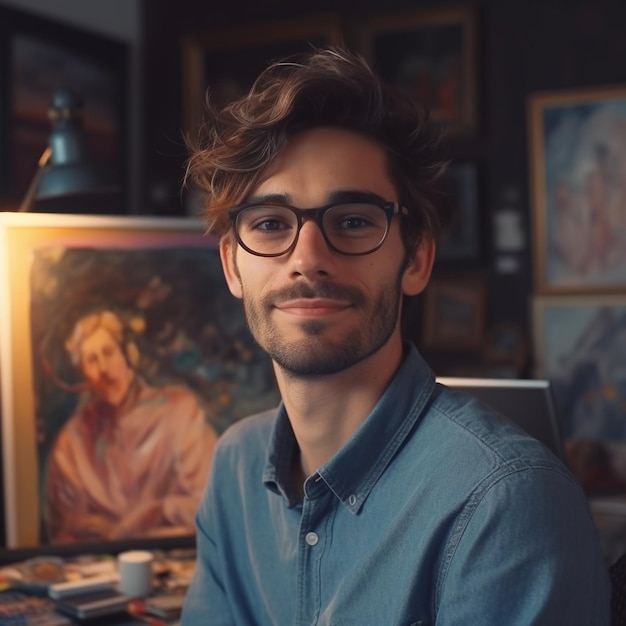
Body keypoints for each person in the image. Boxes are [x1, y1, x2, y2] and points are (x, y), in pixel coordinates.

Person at [181, 48, 611, 625]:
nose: (307, 258)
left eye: (354, 221)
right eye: (270, 223)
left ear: (416, 260)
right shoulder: (234, 466)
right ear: (233, 266)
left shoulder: (507, 501)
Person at [45, 309, 218, 543]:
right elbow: (64, 532)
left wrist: (151, 513)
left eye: (108, 352)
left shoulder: (179, 412)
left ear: (130, 354)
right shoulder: (72, 440)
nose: (104, 369)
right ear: (83, 372)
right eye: (92, 360)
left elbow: (212, 505)